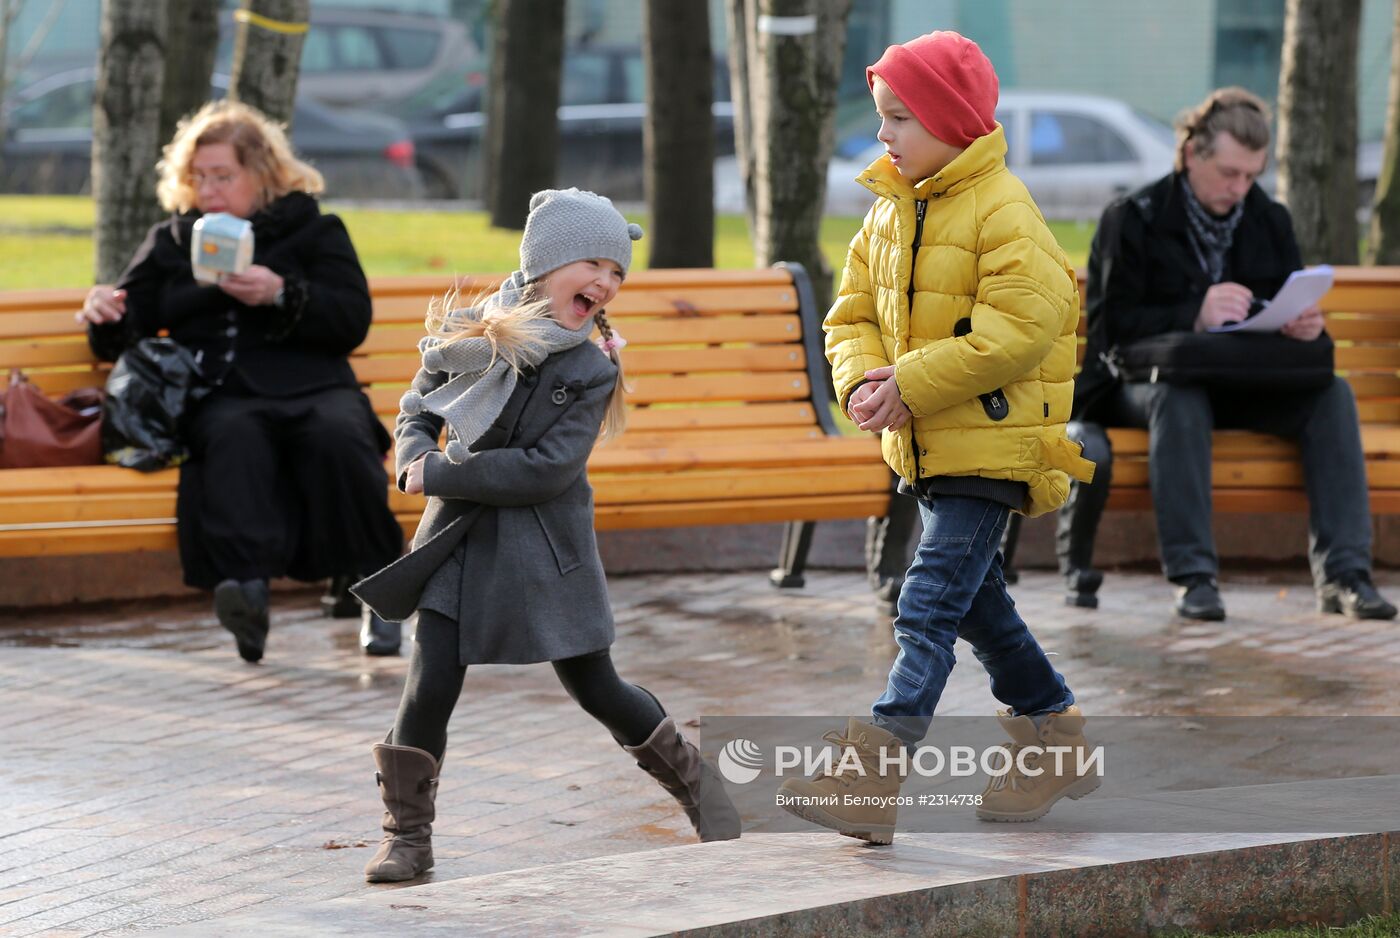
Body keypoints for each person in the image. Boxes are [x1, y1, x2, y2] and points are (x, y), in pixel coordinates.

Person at [350, 188, 741, 884]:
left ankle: (700, 788)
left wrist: (440, 471)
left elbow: (545, 471)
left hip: (547, 548)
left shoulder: (591, 368)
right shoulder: (474, 332)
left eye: (617, 273)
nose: (606, 283)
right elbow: (418, 405)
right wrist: (413, 453)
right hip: (457, 547)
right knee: (428, 685)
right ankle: (406, 838)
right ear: (545, 261)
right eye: (592, 262)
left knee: (598, 686)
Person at [776, 31, 1099, 845]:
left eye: (899, 118)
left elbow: (1018, 333)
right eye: (882, 117)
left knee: (923, 605)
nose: (882, 133)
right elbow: (849, 316)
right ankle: (1055, 736)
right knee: (976, 607)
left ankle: (872, 772)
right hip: (929, 447)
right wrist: (861, 381)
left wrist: (909, 383)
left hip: (992, 446)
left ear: (955, 124)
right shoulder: (889, 209)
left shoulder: (1005, 211)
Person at [79, 100, 405, 661]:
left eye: (223, 175)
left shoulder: (312, 228)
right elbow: (125, 326)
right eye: (199, 176)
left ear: (262, 173)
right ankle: (245, 594)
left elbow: (350, 317)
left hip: (314, 383)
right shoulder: (174, 239)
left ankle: (379, 589)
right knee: (232, 438)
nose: (209, 189)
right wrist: (103, 309)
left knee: (336, 435)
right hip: (221, 389)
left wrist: (281, 292)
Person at [1068, 87, 1396, 622]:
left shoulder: (1267, 218)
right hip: (1145, 384)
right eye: (1229, 174)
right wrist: (1195, 313)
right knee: (1181, 397)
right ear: (1193, 154)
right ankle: (1194, 577)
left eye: (1251, 176)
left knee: (1331, 394)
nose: (1239, 189)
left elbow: (1281, 294)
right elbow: (1114, 330)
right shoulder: (1134, 218)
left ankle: (1346, 576)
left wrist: (1300, 322)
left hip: (1244, 381)